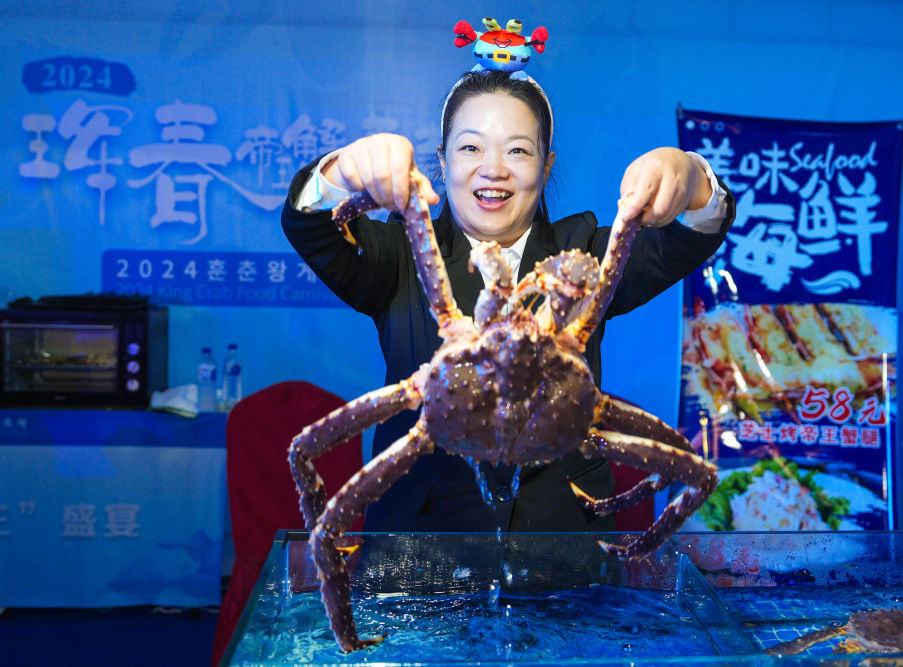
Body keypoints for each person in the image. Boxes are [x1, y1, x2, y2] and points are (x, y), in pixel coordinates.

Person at [282, 69, 735, 535]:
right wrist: (340, 174)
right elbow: (310, 226)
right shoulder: (401, 254)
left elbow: (695, 232)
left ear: (547, 165)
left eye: (518, 150)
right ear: (442, 160)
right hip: (418, 547)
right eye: (470, 148)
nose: (494, 168)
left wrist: (692, 178)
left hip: (563, 547)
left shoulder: (585, 257)